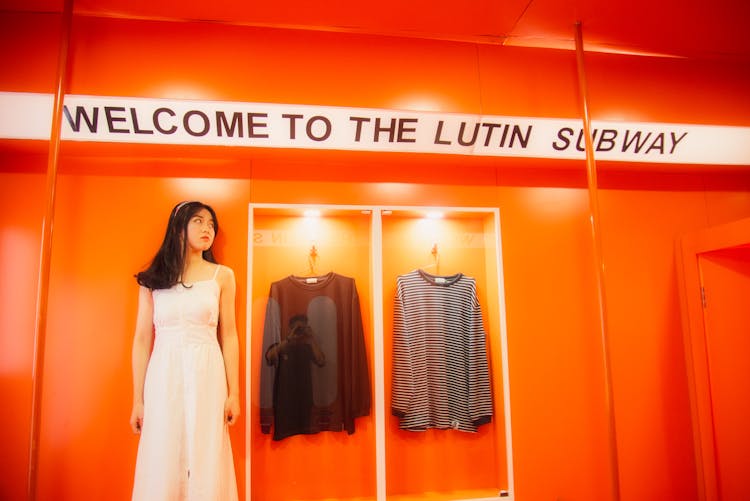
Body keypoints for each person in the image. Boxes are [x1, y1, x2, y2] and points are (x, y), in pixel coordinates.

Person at [129, 200, 240, 500]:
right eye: (199, 222)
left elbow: (229, 335)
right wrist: (137, 399)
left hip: (207, 370)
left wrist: (234, 393)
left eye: (212, 225)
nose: (208, 229)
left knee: (207, 447)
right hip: (164, 370)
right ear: (179, 227)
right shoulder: (152, 280)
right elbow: (141, 339)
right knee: (163, 446)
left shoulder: (222, 276)